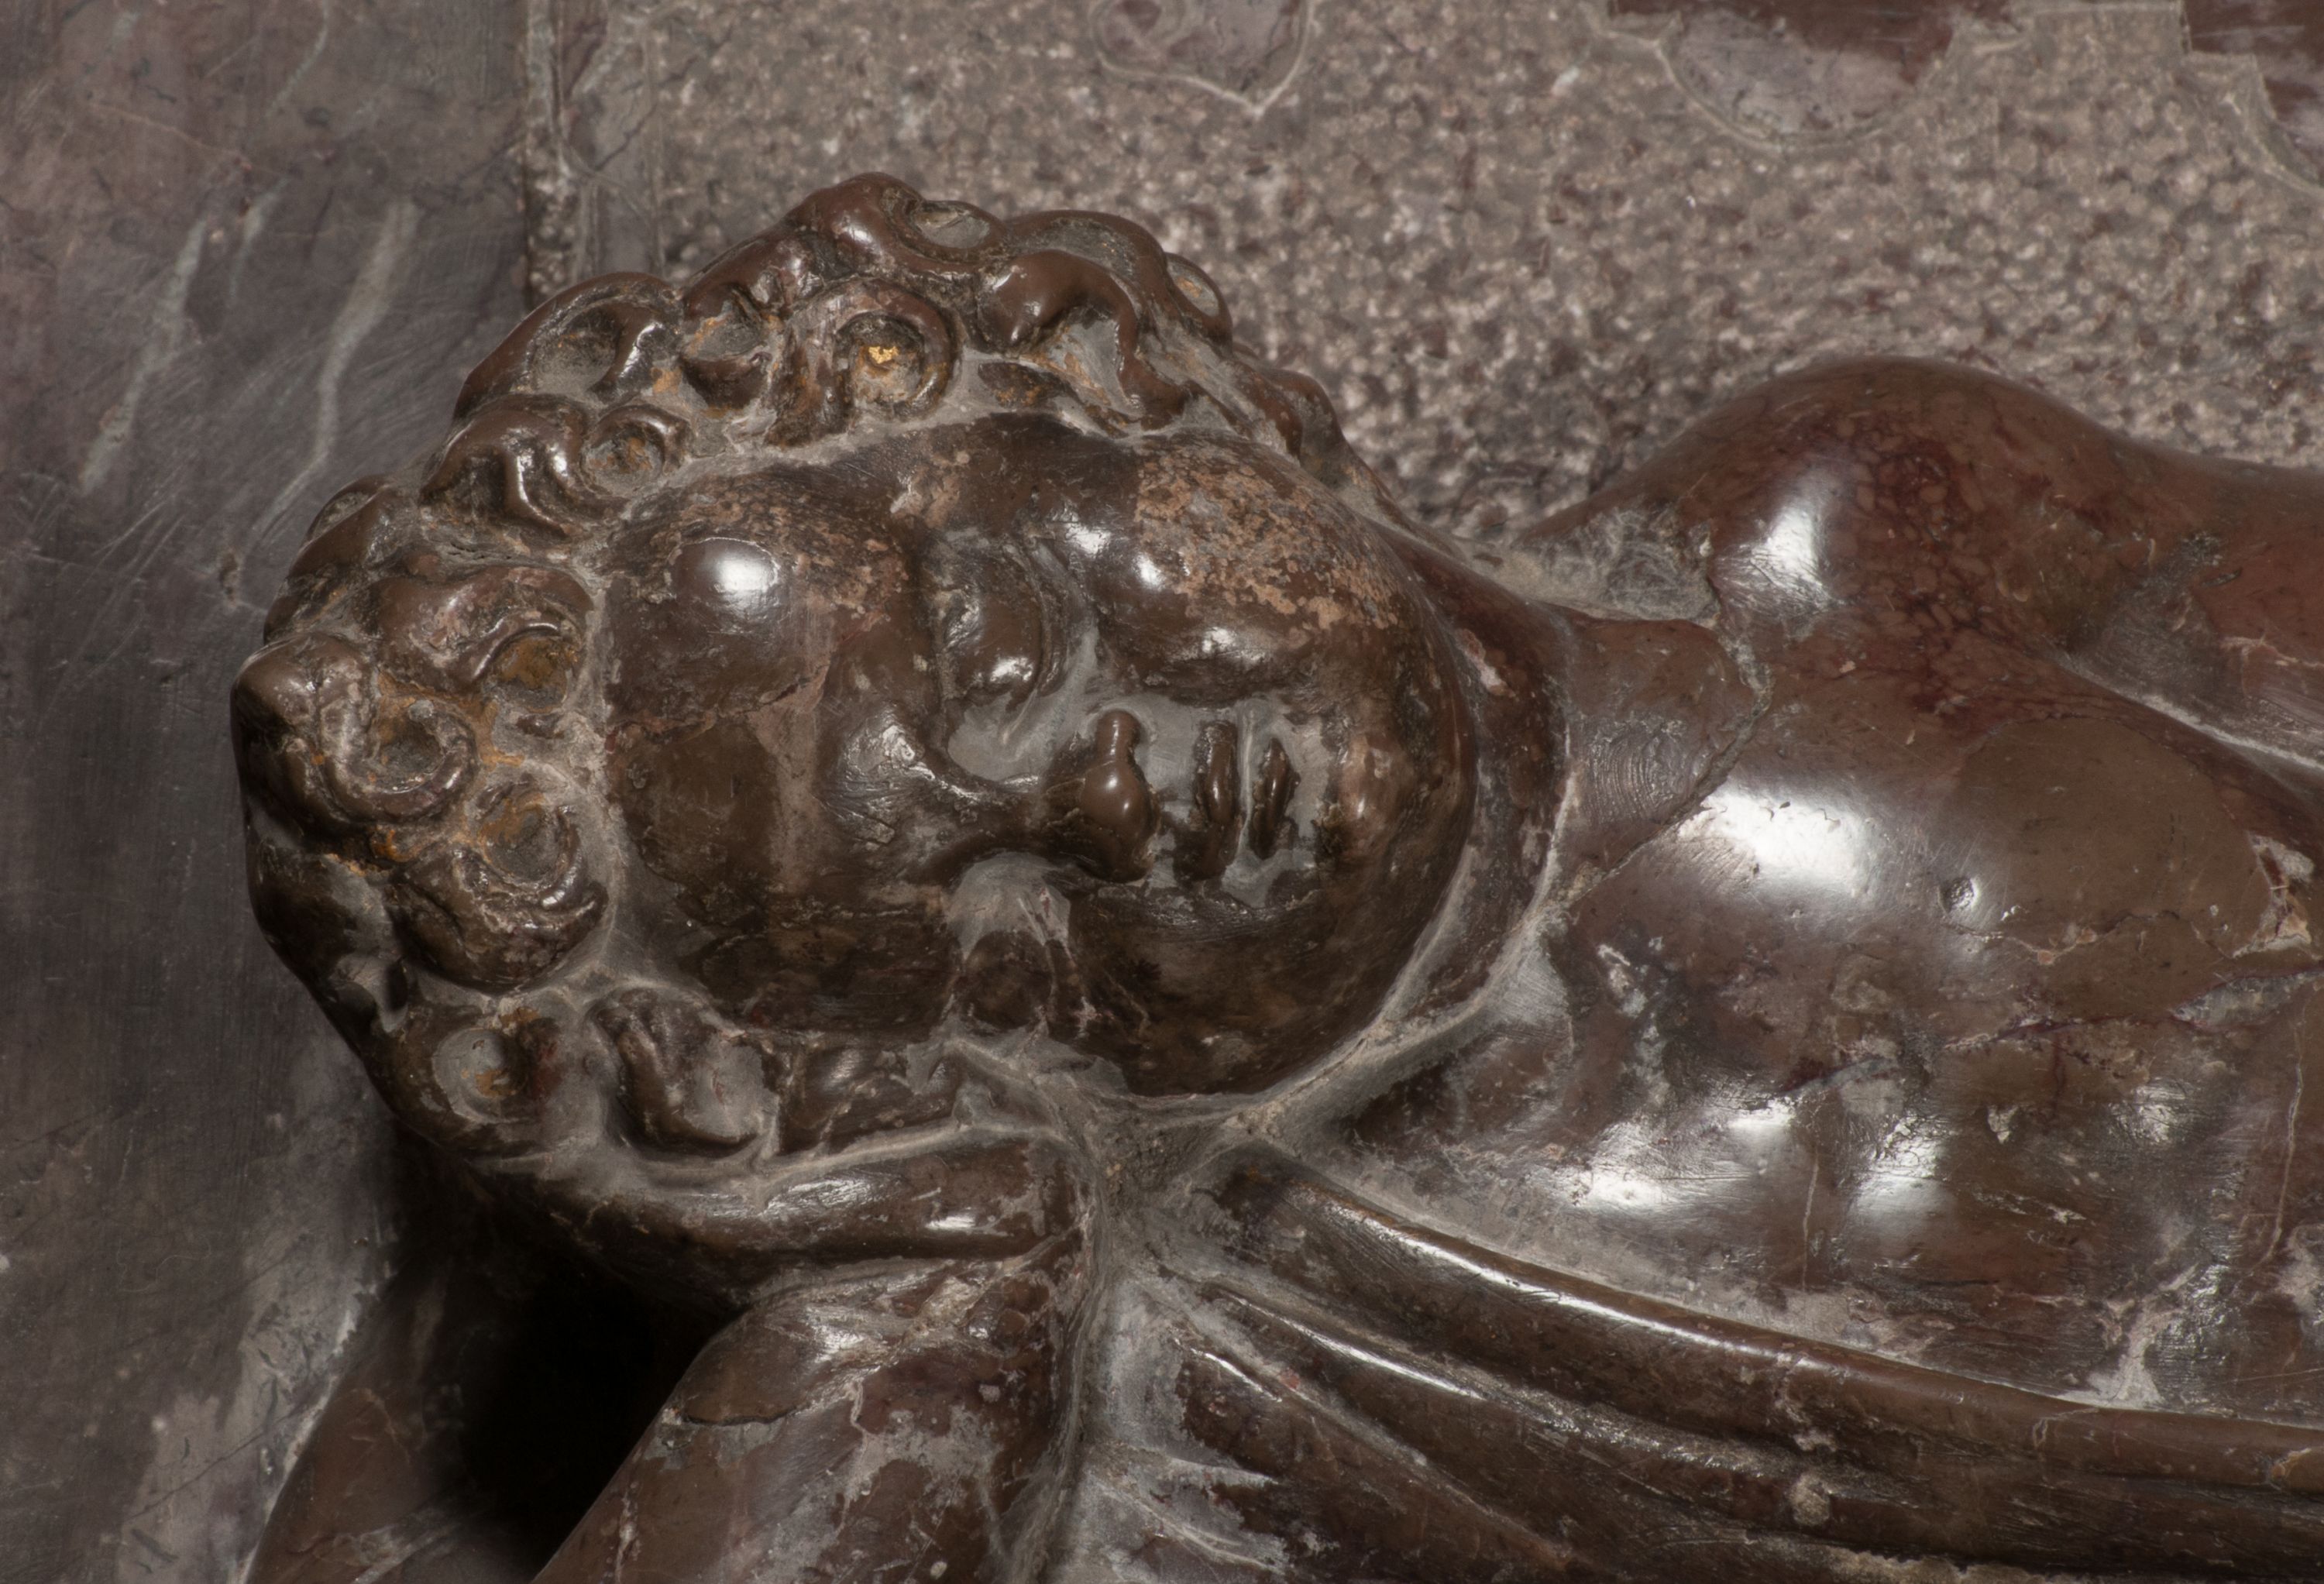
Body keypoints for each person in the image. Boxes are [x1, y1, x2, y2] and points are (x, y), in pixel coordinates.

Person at [233, 175, 2324, 1582]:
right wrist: (878, 1276)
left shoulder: (1846, 530)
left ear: (1101, 383)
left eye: (1007, 651)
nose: (1112, 805)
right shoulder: (1238, 1388)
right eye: (1006, 955)